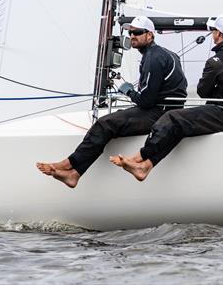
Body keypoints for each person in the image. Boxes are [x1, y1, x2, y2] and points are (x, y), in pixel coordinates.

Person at [36, 16, 187, 187]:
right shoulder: (167, 54)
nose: (133, 36)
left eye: (137, 32)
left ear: (150, 35)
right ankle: (74, 174)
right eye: (130, 33)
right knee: (112, 120)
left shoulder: (153, 58)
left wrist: (129, 91)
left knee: (105, 123)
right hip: (168, 110)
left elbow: (146, 101)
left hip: (159, 113)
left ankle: (70, 165)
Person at [110, 14, 223, 181]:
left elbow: (203, 92)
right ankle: (146, 166)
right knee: (178, 123)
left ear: (218, 33)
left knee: (172, 117)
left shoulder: (215, 61)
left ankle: (139, 158)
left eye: (212, 30)